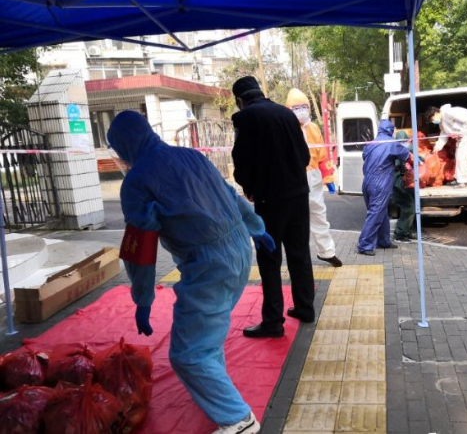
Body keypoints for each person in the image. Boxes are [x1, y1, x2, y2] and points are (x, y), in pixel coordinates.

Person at [108, 111, 273, 434]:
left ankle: (239, 421)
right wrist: (256, 228)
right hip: (239, 250)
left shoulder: (137, 182)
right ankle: (217, 394)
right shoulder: (190, 155)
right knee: (206, 338)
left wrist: (142, 298)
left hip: (208, 266)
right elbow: (229, 194)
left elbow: (140, 247)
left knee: (189, 354)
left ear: (123, 145)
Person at [231, 76, 316, 338]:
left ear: (239, 99)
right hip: (299, 195)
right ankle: (305, 308)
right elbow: (304, 156)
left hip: (270, 199)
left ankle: (272, 322)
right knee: (299, 253)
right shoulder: (287, 114)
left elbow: (241, 160)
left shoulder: (244, 118)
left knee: (269, 259)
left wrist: (248, 186)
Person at [285, 88, 342, 268]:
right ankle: (299, 257)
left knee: (318, 215)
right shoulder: (284, 128)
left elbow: (322, 155)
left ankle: (327, 252)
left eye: (304, 107)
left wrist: (328, 178)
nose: (301, 111)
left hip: (314, 176)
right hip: (293, 177)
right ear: (288, 109)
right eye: (296, 108)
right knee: (295, 220)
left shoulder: (314, 128)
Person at [357, 119, 411, 256]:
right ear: (391, 131)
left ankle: (383, 241)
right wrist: (419, 159)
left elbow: (366, 157)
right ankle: (364, 245)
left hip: (367, 182)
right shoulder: (391, 143)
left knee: (381, 212)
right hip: (380, 183)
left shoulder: (370, 144)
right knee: (375, 214)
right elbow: (406, 156)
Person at [431, 104, 467, 187]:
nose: (433, 121)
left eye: (432, 119)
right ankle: (458, 179)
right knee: (458, 156)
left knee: (463, 156)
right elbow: (443, 134)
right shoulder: (442, 122)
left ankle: (463, 181)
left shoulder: (449, 112)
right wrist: (437, 147)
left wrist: (462, 132)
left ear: (436, 113)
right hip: (462, 135)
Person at [391, 129, 415, 243]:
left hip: (400, 183)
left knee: (406, 208)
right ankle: (400, 234)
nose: (406, 143)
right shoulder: (400, 152)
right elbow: (402, 166)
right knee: (409, 208)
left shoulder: (395, 150)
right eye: (404, 141)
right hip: (400, 184)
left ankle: (406, 232)